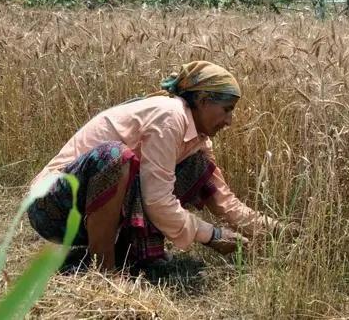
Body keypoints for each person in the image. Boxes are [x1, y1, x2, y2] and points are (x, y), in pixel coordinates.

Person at [27, 61, 284, 270]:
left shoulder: (198, 140)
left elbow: (224, 201)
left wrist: (277, 232)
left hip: (83, 215)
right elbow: (157, 201)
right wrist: (211, 235)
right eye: (227, 109)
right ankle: (104, 271)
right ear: (204, 100)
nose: (229, 121)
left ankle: (128, 254)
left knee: (196, 165)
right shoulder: (170, 117)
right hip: (51, 207)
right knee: (115, 157)